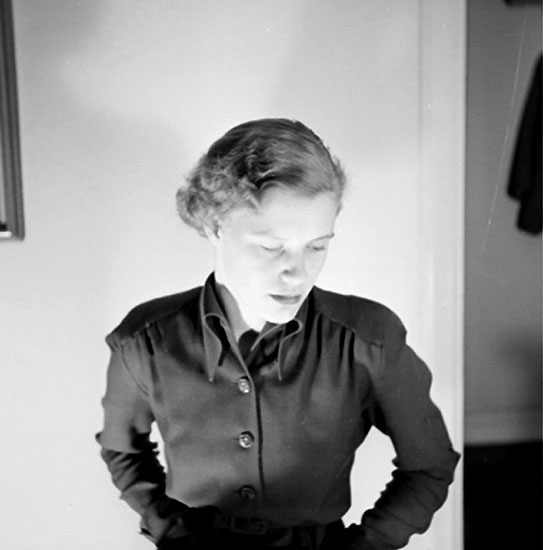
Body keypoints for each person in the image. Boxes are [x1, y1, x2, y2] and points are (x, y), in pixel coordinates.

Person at [96, 118, 460, 550]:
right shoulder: (144, 341)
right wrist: (172, 532)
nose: (297, 273)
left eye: (317, 246)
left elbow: (429, 464)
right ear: (215, 226)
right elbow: (123, 451)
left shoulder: (370, 339)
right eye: (272, 247)